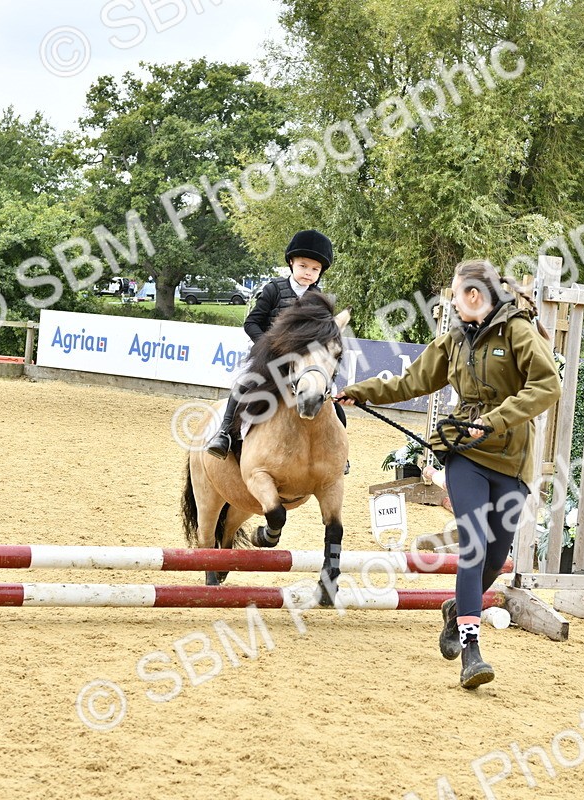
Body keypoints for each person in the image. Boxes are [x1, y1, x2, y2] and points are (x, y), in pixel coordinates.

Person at [336, 259, 560, 689]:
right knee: (473, 546)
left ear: (473, 296)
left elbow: (547, 385)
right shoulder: (453, 340)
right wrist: (358, 391)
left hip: (512, 459)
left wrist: (494, 420)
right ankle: (472, 652)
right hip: (464, 452)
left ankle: (456, 610)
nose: (452, 303)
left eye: (455, 295)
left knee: (496, 558)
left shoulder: (518, 331)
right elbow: (409, 383)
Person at [205, 229, 348, 459]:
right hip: (270, 358)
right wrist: (267, 346)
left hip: (304, 364)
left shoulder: (319, 299)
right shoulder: (273, 289)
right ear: (291, 263)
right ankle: (224, 434)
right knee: (243, 386)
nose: (308, 273)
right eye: (303, 266)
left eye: (315, 269)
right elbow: (252, 322)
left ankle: (338, 455)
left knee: (333, 404)